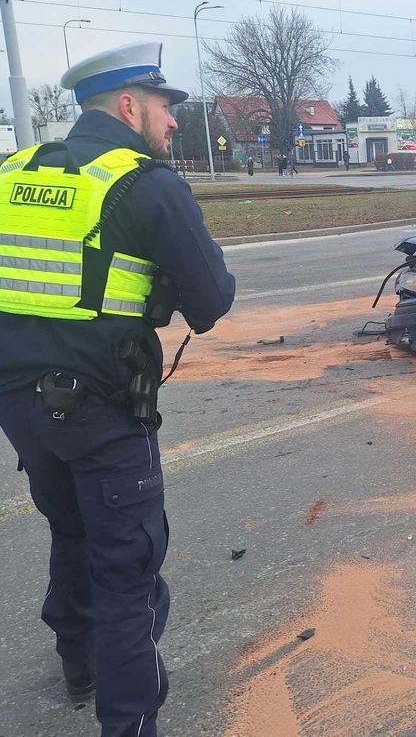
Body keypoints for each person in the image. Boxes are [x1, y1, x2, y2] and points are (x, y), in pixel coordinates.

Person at [0, 42, 235, 737]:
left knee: (70, 527)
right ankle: (129, 721)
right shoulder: (144, 183)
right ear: (129, 106)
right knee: (126, 569)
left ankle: (80, 663)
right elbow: (212, 300)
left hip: (18, 407)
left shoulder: (11, 170)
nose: (172, 125)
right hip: (100, 409)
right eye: (166, 109)